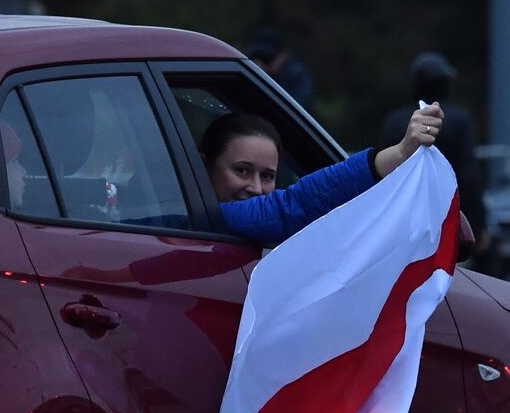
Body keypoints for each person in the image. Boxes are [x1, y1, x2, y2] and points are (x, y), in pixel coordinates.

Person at [205, 102, 444, 243]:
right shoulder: (191, 219)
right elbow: (293, 207)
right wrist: (400, 153)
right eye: (242, 170)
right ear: (206, 167)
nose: (256, 188)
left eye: (267, 176)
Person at [379, 52, 489, 260]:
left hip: (402, 225)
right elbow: (469, 175)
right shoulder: (458, 121)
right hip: (449, 223)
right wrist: (478, 223)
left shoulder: (394, 122)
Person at [247, 27, 315, 112]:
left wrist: (269, 77)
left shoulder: (296, 73)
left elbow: (295, 108)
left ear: (282, 55)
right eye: (258, 58)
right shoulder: (252, 72)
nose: (262, 64)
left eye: (267, 59)